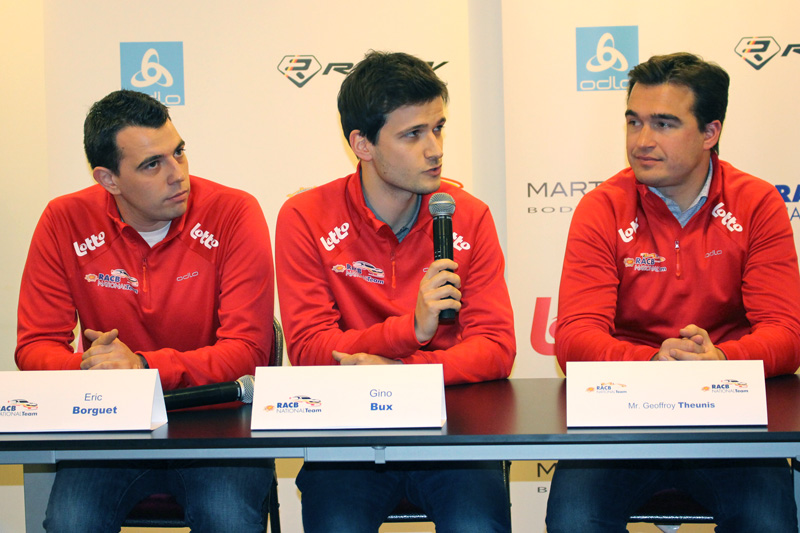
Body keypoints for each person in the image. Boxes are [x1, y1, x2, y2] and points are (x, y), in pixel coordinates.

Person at [546, 52, 800, 532]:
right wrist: (651, 365)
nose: (642, 141)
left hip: (729, 419)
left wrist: (719, 361)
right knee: (573, 519)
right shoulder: (601, 208)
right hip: (621, 416)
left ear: (710, 132)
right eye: (634, 122)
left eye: (664, 124)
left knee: (766, 520)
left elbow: (786, 334)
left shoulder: (759, 203)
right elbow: (575, 338)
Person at [275, 51, 516, 532]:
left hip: (452, 432)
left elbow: (495, 349)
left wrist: (400, 373)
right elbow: (309, 351)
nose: (435, 149)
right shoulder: (304, 216)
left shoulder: (467, 214)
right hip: (348, 439)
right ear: (361, 144)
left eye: (439, 128)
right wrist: (411, 329)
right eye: (413, 134)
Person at [16, 90, 275, 533]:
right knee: (70, 521)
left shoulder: (234, 211)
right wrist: (92, 369)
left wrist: (139, 366)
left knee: (228, 518)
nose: (179, 175)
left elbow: (248, 350)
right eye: (152, 165)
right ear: (108, 179)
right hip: (110, 428)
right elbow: (34, 346)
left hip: (215, 425)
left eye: (179, 153)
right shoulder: (64, 219)